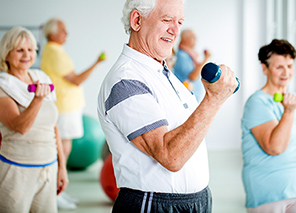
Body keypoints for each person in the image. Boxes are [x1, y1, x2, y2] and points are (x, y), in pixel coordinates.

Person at [97, 0, 238, 212]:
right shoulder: (125, 80)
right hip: (154, 205)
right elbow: (170, 156)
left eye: (179, 22)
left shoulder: (162, 73)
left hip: (197, 201)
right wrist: (214, 99)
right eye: (167, 20)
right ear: (136, 20)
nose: (175, 31)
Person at [40, 18, 106, 210]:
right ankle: (53, 192)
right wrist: (97, 62)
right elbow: (76, 80)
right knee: (61, 150)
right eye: (62, 30)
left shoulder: (55, 51)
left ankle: (59, 189)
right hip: (63, 108)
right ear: (52, 33)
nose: (66, 33)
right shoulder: (53, 52)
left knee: (64, 150)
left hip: (67, 107)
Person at [0, 26, 68, 213]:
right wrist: (37, 99)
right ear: (7, 54)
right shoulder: (3, 85)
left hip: (48, 168)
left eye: (30, 50)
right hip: (16, 171)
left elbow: (53, 128)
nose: (26, 55)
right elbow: (20, 127)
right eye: (19, 50)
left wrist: (61, 166)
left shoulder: (41, 77)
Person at [241, 39, 296, 213]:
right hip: (270, 194)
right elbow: (275, 147)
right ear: (265, 69)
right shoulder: (257, 102)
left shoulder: (288, 102)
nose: (286, 72)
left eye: (289, 66)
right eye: (279, 67)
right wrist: (288, 113)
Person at [173, 29, 211, 103]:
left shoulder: (188, 55)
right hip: (187, 99)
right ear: (185, 39)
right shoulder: (182, 55)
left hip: (193, 99)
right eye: (193, 37)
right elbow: (193, 76)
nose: (196, 39)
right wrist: (206, 58)